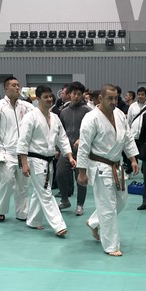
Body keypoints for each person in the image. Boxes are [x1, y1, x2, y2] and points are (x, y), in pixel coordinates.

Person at [77, 84, 139, 256]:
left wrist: (133, 158)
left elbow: (127, 137)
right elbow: (84, 146)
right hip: (100, 167)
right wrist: (82, 172)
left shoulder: (119, 114)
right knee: (107, 206)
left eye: (116, 98)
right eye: (110, 98)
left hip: (116, 165)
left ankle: (94, 222)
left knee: (121, 200)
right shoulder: (91, 118)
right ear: (100, 98)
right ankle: (111, 246)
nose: (113, 101)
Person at [17, 85, 76, 236]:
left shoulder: (55, 117)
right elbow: (23, 141)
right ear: (38, 99)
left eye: (50, 96)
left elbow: (62, 138)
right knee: (46, 192)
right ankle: (58, 225)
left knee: (39, 192)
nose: (49, 99)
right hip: (35, 160)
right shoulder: (30, 117)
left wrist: (69, 156)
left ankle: (33, 221)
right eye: (45, 97)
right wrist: (24, 163)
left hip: (48, 161)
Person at [0, 75, 33, 222]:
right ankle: (0, 210)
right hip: (6, 152)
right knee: (6, 182)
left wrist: (35, 99)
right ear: (6, 88)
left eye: (18, 85)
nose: (17, 87)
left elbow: (39, 114)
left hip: (24, 153)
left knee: (23, 185)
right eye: (14, 85)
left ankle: (22, 212)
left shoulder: (26, 106)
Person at [56, 81, 91, 216]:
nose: (76, 96)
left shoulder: (88, 111)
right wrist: (58, 149)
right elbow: (60, 132)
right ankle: (65, 200)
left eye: (78, 94)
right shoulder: (63, 112)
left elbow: (92, 131)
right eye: (73, 94)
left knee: (80, 177)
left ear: (82, 95)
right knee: (60, 173)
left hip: (82, 150)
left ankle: (80, 204)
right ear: (69, 94)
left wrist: (82, 139)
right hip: (66, 150)